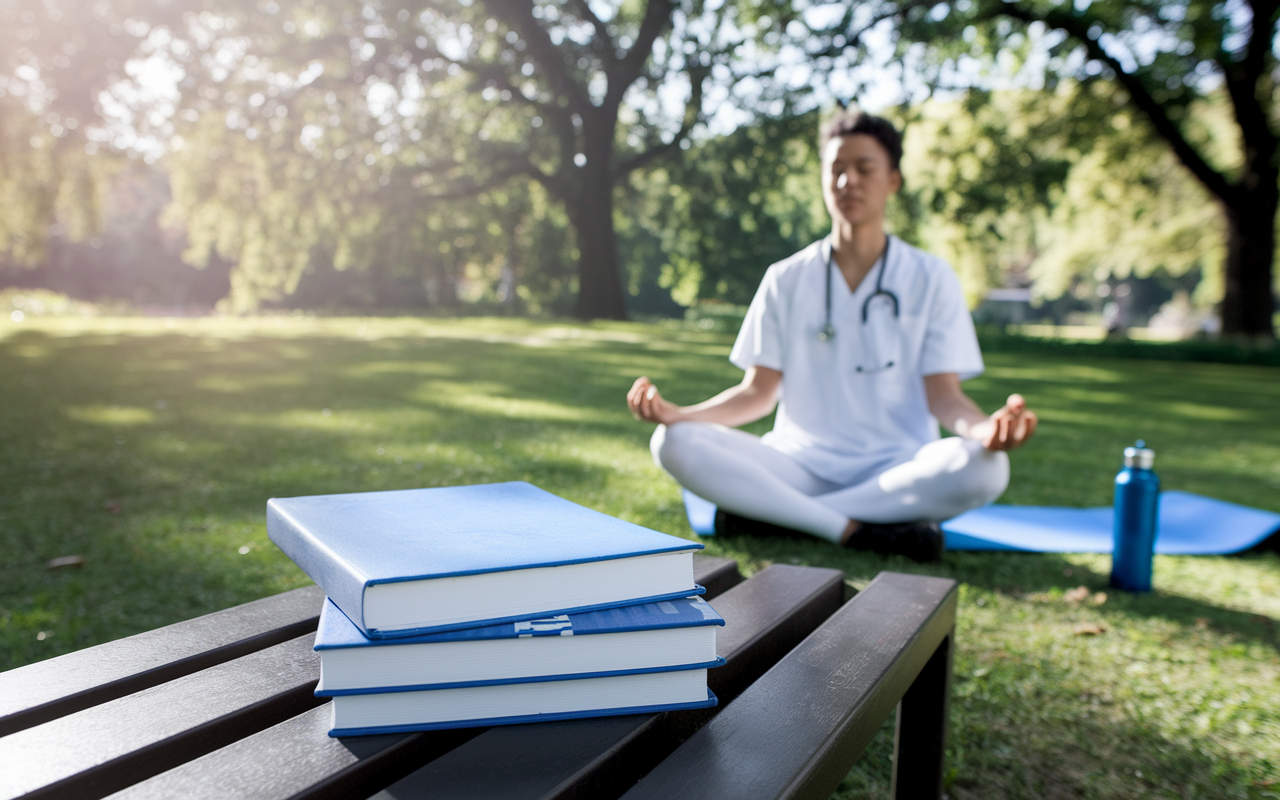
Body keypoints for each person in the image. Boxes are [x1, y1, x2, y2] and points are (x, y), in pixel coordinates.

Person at [625, 111, 1038, 562]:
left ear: (893, 180)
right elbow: (757, 395)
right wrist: (680, 413)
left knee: (987, 468)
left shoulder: (931, 276)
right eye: (836, 169)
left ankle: (777, 516)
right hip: (796, 466)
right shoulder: (785, 278)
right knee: (673, 441)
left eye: (864, 168)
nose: (848, 181)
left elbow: (944, 398)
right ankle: (851, 529)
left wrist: (987, 431)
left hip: (895, 471)